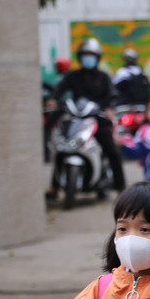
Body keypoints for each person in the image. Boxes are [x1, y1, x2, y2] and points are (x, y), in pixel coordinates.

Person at [48, 38, 126, 192]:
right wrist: (53, 100)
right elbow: (59, 88)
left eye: (91, 55)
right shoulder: (73, 76)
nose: (88, 58)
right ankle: (54, 186)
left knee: (112, 150)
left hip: (98, 120)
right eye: (85, 54)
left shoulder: (103, 77)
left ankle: (121, 187)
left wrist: (109, 108)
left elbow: (112, 94)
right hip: (77, 119)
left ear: (97, 57)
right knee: (61, 146)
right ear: (80, 56)